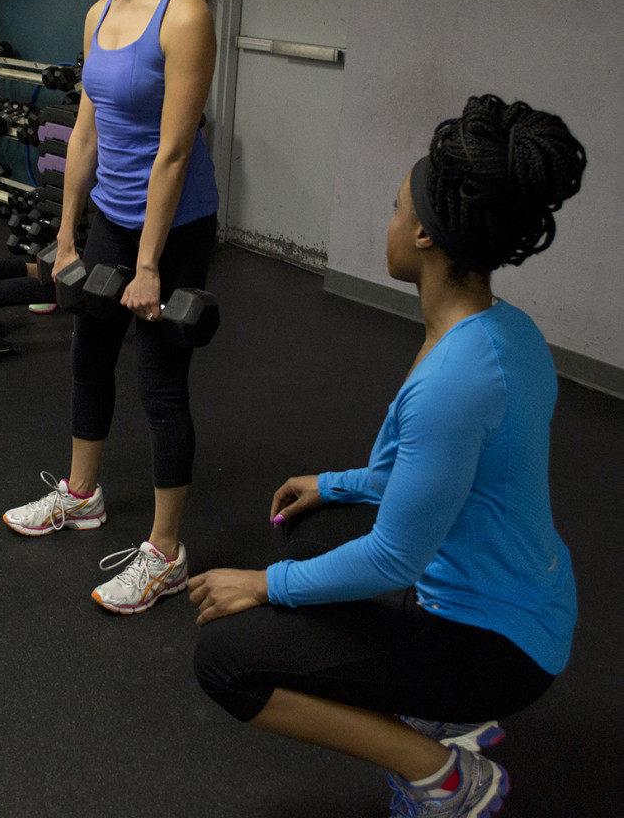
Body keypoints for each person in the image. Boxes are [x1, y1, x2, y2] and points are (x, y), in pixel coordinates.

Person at [190, 94, 586, 818]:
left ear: (426, 237)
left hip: (498, 645)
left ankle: (443, 775)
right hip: (515, 594)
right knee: (314, 520)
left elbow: (392, 562)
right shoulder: (501, 330)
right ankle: (438, 712)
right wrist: (335, 483)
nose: (390, 220)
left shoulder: (455, 378)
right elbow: (443, 473)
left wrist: (261, 584)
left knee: (225, 662)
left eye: (395, 206)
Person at [3, 0, 219, 616]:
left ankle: (164, 552)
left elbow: (173, 150)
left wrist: (150, 266)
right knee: (87, 353)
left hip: (174, 227)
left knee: (159, 383)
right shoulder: (99, 13)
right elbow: (86, 132)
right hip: (112, 220)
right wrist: (67, 232)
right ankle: (81, 494)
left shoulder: (185, 12)